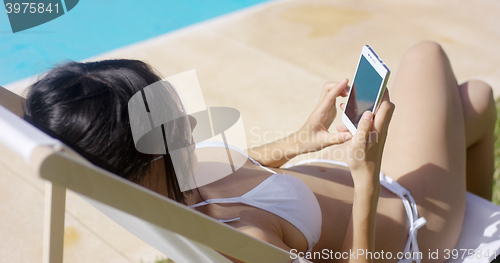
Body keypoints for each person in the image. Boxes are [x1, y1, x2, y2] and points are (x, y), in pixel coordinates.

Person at [24, 41, 496, 263]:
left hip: (384, 190)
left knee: (473, 99)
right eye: (171, 122)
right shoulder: (243, 238)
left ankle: (477, 219)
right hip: (413, 223)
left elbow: (243, 171)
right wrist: (367, 174)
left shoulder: (165, 180)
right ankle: (466, 237)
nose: (190, 123)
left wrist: (300, 139)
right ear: (142, 156)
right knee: (427, 56)